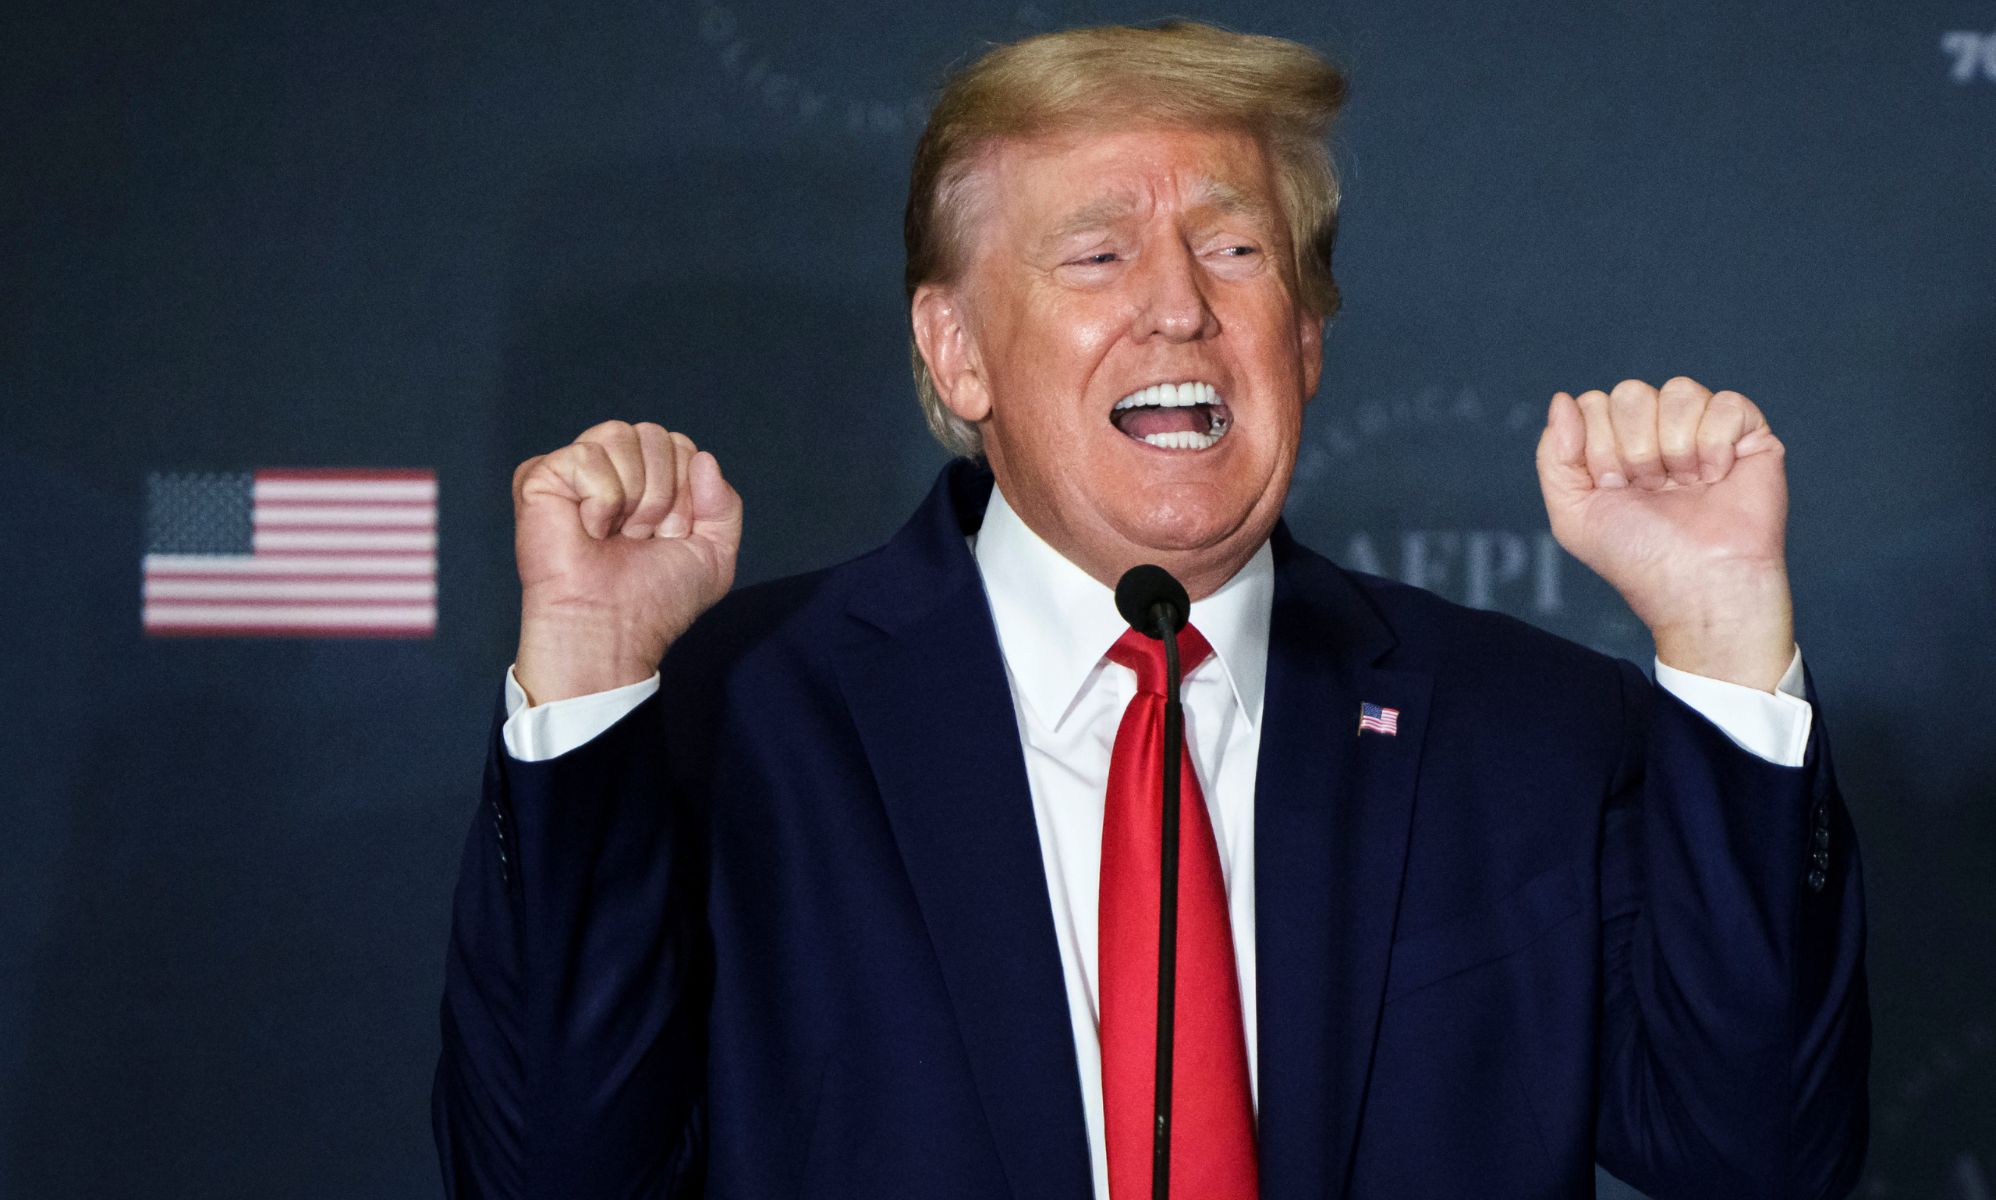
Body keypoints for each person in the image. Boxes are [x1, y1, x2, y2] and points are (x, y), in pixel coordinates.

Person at [433, 21, 1868, 1200]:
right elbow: (550, 1174)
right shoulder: (731, 719)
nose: (1180, 307)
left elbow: (1763, 1156)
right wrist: (589, 670)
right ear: (956, 350)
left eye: (1238, 251)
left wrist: (1726, 631)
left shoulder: (1530, 728)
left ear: (1305, 338)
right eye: (1098, 254)